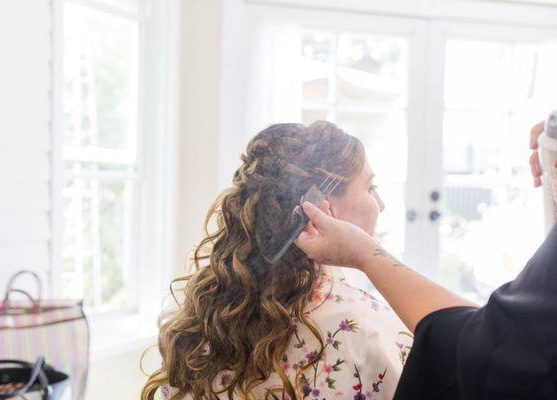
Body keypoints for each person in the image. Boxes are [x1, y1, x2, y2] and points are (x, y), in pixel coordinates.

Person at [142, 121, 413, 400]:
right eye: (371, 188)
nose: (380, 204)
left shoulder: (205, 316)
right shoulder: (362, 329)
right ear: (321, 206)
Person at [294, 121, 557, 399]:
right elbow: (494, 350)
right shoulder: (367, 332)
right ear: (324, 211)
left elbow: (497, 342)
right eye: (371, 188)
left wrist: (368, 255)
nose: (381, 204)